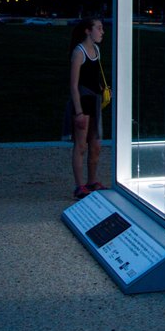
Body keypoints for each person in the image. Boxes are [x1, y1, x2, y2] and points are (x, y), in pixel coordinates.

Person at [66, 18, 107, 199]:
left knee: (96, 145)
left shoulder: (97, 50)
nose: (102, 31)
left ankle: (92, 181)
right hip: (82, 102)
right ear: (88, 31)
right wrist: (79, 112)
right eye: (99, 28)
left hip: (94, 100)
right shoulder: (79, 52)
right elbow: (74, 85)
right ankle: (79, 186)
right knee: (81, 146)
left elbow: (94, 76)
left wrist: (104, 90)